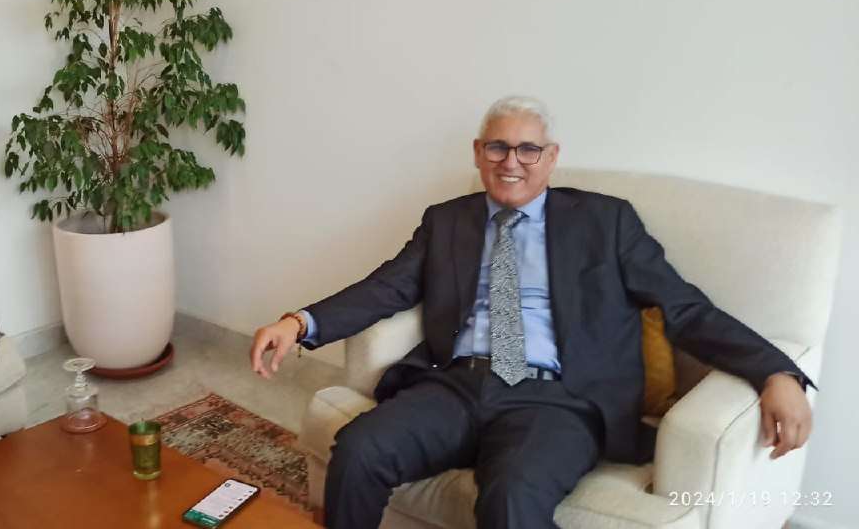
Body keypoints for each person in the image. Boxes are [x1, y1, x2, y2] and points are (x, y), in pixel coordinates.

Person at [249, 96, 814, 529]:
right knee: (359, 449)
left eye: (527, 150)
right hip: (455, 386)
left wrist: (774, 371)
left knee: (513, 496)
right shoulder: (447, 221)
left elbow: (684, 307)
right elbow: (386, 288)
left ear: (551, 157)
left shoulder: (606, 222)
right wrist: (299, 323)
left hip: (557, 402)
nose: (511, 162)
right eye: (498, 148)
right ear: (478, 152)